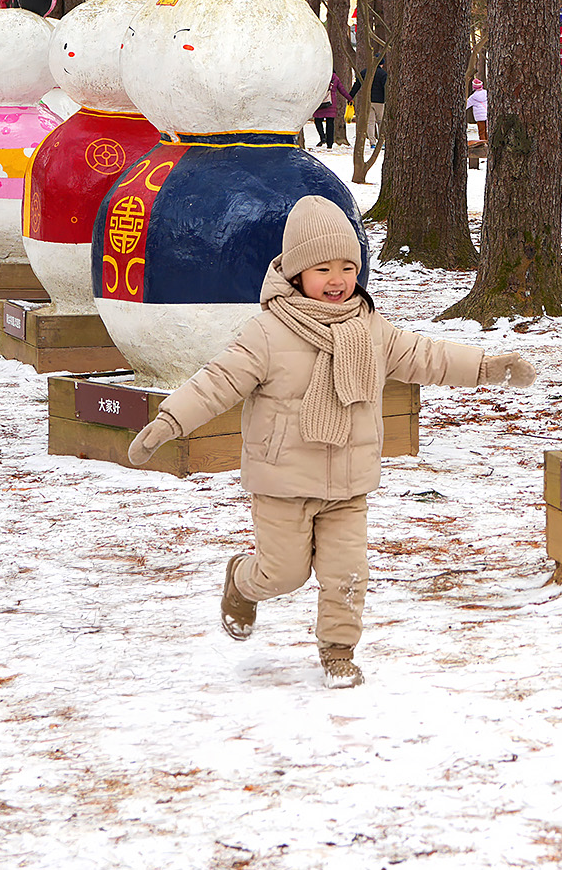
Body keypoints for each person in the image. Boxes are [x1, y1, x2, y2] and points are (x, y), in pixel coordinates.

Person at [124, 196, 539, 688]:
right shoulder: (267, 333)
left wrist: (486, 366)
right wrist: (169, 420)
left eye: (347, 267)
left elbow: (427, 356)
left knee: (347, 576)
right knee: (282, 576)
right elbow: (218, 382)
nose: (338, 279)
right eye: (323, 268)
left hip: (348, 483)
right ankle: (241, 580)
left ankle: (339, 651)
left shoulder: (369, 329)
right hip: (282, 482)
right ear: (297, 273)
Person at [466, 78, 489, 145]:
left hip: (479, 117)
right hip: (487, 114)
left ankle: (483, 144)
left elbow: (466, 105)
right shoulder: (487, 93)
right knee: (488, 130)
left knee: (481, 131)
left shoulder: (473, 97)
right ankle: (488, 143)